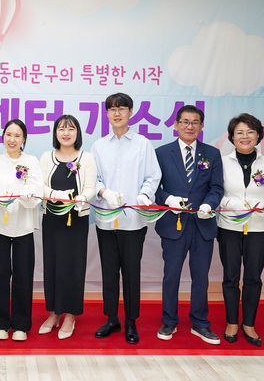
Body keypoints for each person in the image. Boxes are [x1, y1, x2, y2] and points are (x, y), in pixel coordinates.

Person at [90, 93, 161, 344]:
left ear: (131, 112)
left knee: (131, 272)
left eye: (121, 108)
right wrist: (103, 192)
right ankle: (112, 318)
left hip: (133, 220)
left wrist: (144, 194)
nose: (117, 113)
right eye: (112, 109)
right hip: (106, 219)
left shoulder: (143, 144)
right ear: (107, 114)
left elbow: (153, 176)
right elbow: (93, 178)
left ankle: (131, 320)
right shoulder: (99, 146)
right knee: (109, 271)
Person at [154, 104, 224, 345]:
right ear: (175, 125)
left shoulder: (212, 154)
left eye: (195, 122)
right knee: (171, 275)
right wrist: (168, 200)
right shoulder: (162, 153)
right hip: (173, 224)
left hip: (203, 225)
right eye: (185, 121)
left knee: (201, 276)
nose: (189, 126)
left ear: (201, 126)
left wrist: (209, 204)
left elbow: (217, 187)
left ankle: (200, 322)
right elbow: (154, 188)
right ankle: (169, 320)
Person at [217, 113, 264, 346]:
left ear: (258, 135)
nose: (245, 137)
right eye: (240, 133)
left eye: (250, 132)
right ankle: (232, 322)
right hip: (229, 227)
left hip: (258, 228)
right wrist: (230, 204)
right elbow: (216, 192)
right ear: (232, 137)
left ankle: (249, 324)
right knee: (230, 277)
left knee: (253, 277)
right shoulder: (222, 162)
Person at [38, 115, 96, 340]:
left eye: (71, 129)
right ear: (55, 133)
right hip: (52, 219)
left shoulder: (86, 158)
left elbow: (90, 186)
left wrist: (82, 197)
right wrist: (56, 195)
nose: (66, 133)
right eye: (61, 129)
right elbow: (40, 185)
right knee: (52, 266)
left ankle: (70, 315)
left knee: (73, 267)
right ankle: (53, 313)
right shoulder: (47, 157)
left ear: (77, 133)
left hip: (76, 220)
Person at [0, 119, 43, 341]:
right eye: (9, 134)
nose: (12, 139)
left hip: (24, 226)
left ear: (24, 139)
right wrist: (2, 199)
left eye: (17, 135)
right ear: (3, 137)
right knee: (0, 275)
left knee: (23, 275)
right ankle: (0, 323)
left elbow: (37, 189)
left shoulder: (31, 161)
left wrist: (26, 197)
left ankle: (21, 325)